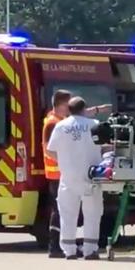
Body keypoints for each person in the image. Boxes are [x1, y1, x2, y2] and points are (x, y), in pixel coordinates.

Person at [45, 97, 103, 260]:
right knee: (92, 213)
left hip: (68, 177)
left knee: (67, 213)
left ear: (69, 109)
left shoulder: (60, 126)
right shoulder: (95, 125)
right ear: (84, 109)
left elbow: (50, 150)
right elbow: (105, 146)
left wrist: (64, 161)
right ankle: (90, 250)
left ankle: (69, 250)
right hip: (91, 176)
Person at [43, 90, 72, 258]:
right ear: (61, 105)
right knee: (59, 211)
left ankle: (58, 246)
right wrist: (65, 162)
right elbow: (48, 149)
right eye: (68, 105)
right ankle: (54, 247)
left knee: (61, 210)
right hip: (56, 174)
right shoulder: (53, 123)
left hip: (58, 173)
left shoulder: (57, 120)